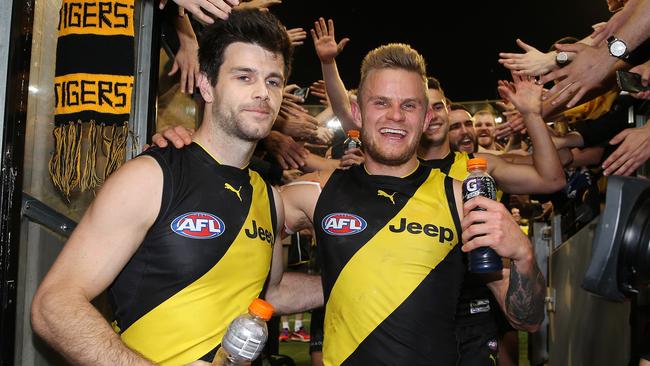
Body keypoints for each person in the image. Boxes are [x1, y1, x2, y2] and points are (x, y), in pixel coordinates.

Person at [31, 9, 322, 366]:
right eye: (244, 77)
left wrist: (364, 278)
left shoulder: (269, 198)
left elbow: (272, 292)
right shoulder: (150, 176)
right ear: (205, 84)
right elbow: (54, 303)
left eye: (273, 81)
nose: (263, 92)